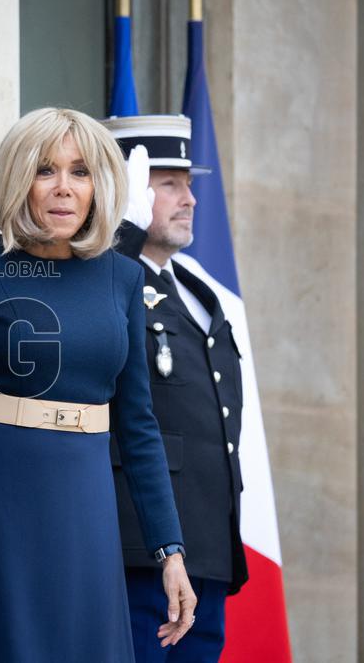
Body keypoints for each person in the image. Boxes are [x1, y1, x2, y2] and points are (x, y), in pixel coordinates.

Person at [0, 108, 196, 663]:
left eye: (80, 172)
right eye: (45, 170)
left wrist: (170, 551)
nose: (64, 189)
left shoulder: (123, 276)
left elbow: (138, 426)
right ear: (19, 179)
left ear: (98, 186)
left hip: (87, 500)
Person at [103, 114, 248, 662]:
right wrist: (122, 235)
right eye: (168, 183)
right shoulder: (107, 274)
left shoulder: (193, 289)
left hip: (205, 544)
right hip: (141, 547)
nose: (188, 198)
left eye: (188, 184)